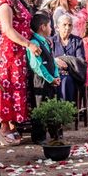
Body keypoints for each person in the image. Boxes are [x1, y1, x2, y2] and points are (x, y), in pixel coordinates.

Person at [0, 0, 41, 145]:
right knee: (9, 87)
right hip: (10, 52)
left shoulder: (18, 2)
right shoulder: (5, 3)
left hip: (20, 52)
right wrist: (28, 44)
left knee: (19, 88)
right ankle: (4, 128)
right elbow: (7, 30)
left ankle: (13, 126)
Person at [27, 14, 60, 142]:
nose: (51, 29)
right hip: (40, 80)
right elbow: (37, 65)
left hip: (51, 79)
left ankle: (54, 132)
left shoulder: (46, 41)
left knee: (51, 103)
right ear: (43, 27)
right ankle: (38, 136)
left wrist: (55, 76)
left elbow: (52, 59)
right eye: (50, 26)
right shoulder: (34, 43)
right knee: (39, 105)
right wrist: (49, 78)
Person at [52, 14, 86, 103]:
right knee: (61, 79)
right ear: (58, 27)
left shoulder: (77, 41)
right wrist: (56, 61)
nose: (67, 27)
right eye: (64, 25)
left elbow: (80, 61)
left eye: (70, 25)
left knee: (66, 80)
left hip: (73, 74)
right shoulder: (51, 41)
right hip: (55, 74)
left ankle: (68, 111)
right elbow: (50, 59)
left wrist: (65, 62)